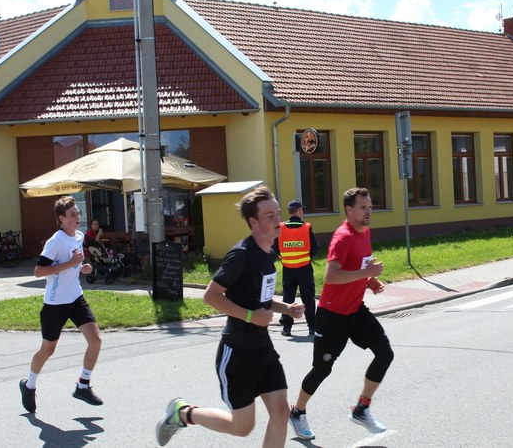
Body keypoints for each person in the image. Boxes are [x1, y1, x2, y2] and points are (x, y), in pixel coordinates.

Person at [156, 185, 305, 447]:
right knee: (242, 427)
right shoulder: (241, 255)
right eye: (269, 215)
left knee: (281, 413)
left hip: (263, 349)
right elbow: (211, 296)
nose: (277, 219)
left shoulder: (269, 254)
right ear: (253, 222)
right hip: (237, 353)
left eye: (278, 213)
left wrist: (287, 308)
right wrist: (250, 317)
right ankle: (183, 413)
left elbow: (261, 300)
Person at [288, 187, 394, 440]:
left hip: (355, 310)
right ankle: (297, 412)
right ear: (349, 209)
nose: (368, 211)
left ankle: (361, 409)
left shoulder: (365, 233)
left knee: (385, 353)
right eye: (363, 207)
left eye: (370, 207)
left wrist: (369, 280)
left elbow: (361, 263)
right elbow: (331, 276)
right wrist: (366, 274)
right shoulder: (342, 237)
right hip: (332, 314)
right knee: (322, 369)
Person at [19, 196, 103, 414]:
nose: (77, 217)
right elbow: (39, 271)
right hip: (55, 303)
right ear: (61, 219)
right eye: (72, 214)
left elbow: (73, 265)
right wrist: (71, 263)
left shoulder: (79, 236)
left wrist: (82, 268)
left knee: (95, 340)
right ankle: (29, 385)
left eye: (77, 213)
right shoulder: (55, 241)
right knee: (48, 350)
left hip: (75, 298)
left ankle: (83, 385)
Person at [273, 200, 319, 336]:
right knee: (308, 298)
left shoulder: (281, 227)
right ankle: (312, 327)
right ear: (299, 211)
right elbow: (315, 247)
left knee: (288, 298)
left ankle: (286, 328)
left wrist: (285, 257)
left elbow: (275, 248)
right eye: (302, 210)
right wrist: (308, 257)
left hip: (288, 269)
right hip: (304, 269)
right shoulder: (306, 227)